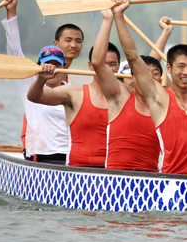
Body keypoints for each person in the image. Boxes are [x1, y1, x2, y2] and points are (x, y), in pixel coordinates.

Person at [110, 0, 187, 176]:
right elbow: (133, 57)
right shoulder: (161, 97)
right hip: (170, 181)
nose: (186, 72)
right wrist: (118, 16)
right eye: (181, 66)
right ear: (169, 68)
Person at [1, 0, 83, 161]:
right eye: (47, 64)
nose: (51, 68)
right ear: (39, 66)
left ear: (63, 67)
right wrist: (11, 11)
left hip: (68, 156)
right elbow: (15, 50)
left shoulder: (72, 88)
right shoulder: (30, 82)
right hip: (39, 155)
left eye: (56, 64)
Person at [27, 39, 122, 168]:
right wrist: (41, 79)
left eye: (112, 64)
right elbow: (34, 97)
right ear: (91, 65)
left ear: (118, 67)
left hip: (113, 169)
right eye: (102, 64)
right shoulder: (74, 93)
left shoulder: (126, 97)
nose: (107, 69)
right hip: (77, 170)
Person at [91, 10, 164, 172]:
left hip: (150, 179)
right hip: (116, 177)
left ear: (161, 80)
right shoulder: (121, 97)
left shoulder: (165, 104)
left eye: (155, 74)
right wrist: (110, 19)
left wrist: (166, 32)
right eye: (144, 74)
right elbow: (97, 62)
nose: (149, 78)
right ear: (132, 78)